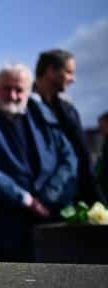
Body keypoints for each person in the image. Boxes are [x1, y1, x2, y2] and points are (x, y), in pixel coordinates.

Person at [0, 63, 77, 262]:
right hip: (3, 228)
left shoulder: (42, 115)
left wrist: (48, 196)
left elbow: (68, 157)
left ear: (28, 92)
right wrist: (24, 198)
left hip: (51, 220)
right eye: (6, 88)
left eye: (19, 90)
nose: (12, 95)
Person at [33, 49, 105, 204]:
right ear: (51, 71)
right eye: (69, 72)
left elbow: (82, 156)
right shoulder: (23, 109)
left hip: (75, 196)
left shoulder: (68, 110)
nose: (73, 79)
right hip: (41, 201)